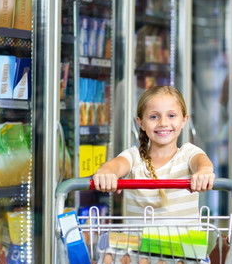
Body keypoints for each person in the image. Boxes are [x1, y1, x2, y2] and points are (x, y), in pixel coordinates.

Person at [92, 85, 215, 222]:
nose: (163, 123)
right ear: (141, 123)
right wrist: (106, 172)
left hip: (184, 244)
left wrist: (204, 171)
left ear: (184, 120)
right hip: (138, 244)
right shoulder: (134, 158)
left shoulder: (188, 153)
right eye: (154, 117)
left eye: (171, 115)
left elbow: (202, 161)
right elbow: (115, 165)